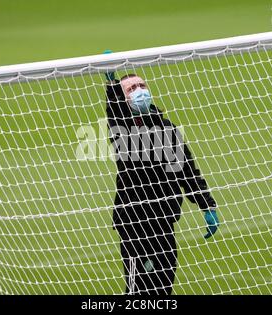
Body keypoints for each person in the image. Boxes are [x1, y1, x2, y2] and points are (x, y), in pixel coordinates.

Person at [104, 63, 219, 295]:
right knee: (138, 290)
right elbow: (115, 111)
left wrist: (207, 204)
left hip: (165, 221)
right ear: (123, 98)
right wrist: (112, 83)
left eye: (142, 85)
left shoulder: (168, 127)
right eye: (132, 89)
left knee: (164, 287)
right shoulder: (122, 129)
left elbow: (187, 170)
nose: (139, 91)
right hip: (135, 223)